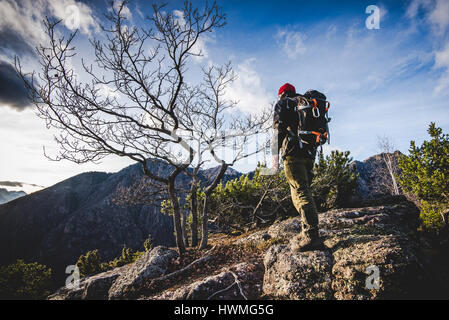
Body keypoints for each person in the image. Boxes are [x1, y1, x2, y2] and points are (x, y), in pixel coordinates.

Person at [271, 83, 324, 252]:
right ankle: (307, 231)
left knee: (300, 193)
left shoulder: (284, 104)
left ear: (281, 94)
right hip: (309, 154)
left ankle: (311, 235)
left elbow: (278, 131)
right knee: (305, 190)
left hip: (293, 154)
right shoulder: (304, 102)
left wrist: (274, 158)